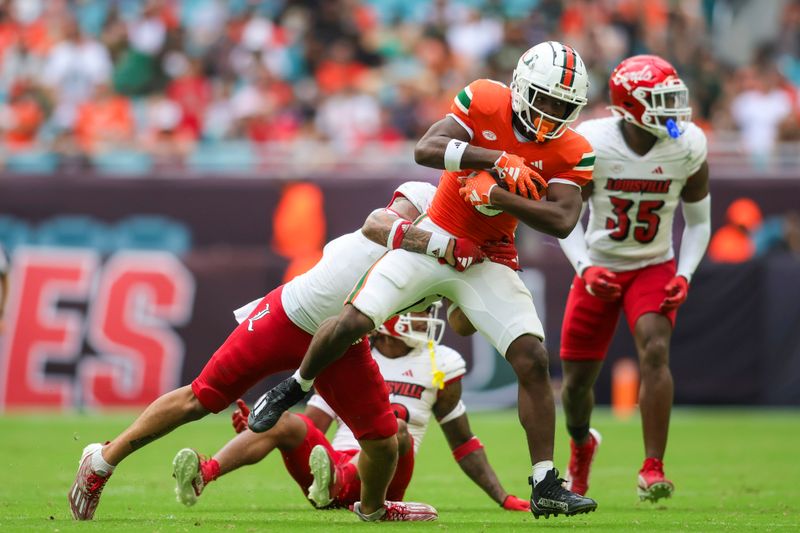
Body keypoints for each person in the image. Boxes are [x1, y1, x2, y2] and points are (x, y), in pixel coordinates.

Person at [249, 41, 599, 519]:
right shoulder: (484, 98)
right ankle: (294, 385)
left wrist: (497, 191)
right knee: (354, 320)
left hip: (489, 257)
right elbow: (426, 148)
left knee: (533, 358)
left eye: (564, 106)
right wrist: (493, 158)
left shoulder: (572, 148)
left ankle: (544, 483)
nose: (553, 113)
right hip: (436, 237)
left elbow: (561, 219)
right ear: (520, 88)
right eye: (547, 99)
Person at [68, 181, 513, 522]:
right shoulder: (427, 201)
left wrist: (486, 279)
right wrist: (442, 245)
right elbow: (378, 225)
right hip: (292, 312)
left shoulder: (467, 252)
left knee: (382, 439)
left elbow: (459, 322)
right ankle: (102, 461)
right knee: (202, 397)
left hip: (344, 336)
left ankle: (374, 510)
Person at [171, 305, 530, 513]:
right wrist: (263, 428)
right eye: (417, 311)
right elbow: (311, 426)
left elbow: (463, 442)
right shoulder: (352, 358)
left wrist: (504, 498)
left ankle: (337, 482)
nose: (424, 319)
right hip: (329, 466)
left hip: (382, 481)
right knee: (285, 421)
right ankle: (205, 472)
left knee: (394, 429)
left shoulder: (441, 362)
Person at [557, 55, 711, 502]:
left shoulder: (687, 144)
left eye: (674, 99)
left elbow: (699, 221)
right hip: (599, 263)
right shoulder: (593, 142)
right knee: (576, 384)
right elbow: (567, 217)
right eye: (662, 101)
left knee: (655, 348)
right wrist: (586, 267)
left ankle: (652, 467)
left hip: (653, 261)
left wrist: (684, 272)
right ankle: (582, 445)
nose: (674, 110)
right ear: (629, 104)